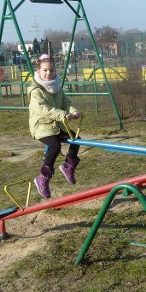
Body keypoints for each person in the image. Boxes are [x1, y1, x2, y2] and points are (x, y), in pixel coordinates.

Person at [27, 54, 82, 199]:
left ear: (55, 71)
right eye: (45, 70)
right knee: (55, 145)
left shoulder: (57, 88)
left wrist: (73, 111)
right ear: (38, 71)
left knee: (76, 139)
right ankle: (42, 179)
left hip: (57, 125)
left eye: (51, 70)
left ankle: (68, 167)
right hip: (41, 126)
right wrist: (62, 115)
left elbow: (66, 103)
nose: (48, 73)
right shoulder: (36, 91)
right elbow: (42, 109)